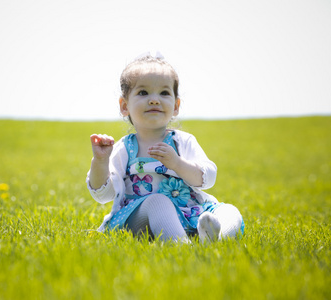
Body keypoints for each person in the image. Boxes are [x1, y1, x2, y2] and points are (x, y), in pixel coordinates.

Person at [86, 53, 244, 243]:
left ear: (176, 106)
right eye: (143, 92)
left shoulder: (183, 141)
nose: (154, 100)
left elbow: (208, 177)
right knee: (158, 202)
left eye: (164, 93)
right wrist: (100, 161)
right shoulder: (125, 147)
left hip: (188, 212)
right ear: (124, 105)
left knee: (230, 211)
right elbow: (103, 194)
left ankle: (214, 239)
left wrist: (177, 164)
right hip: (139, 218)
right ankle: (181, 247)